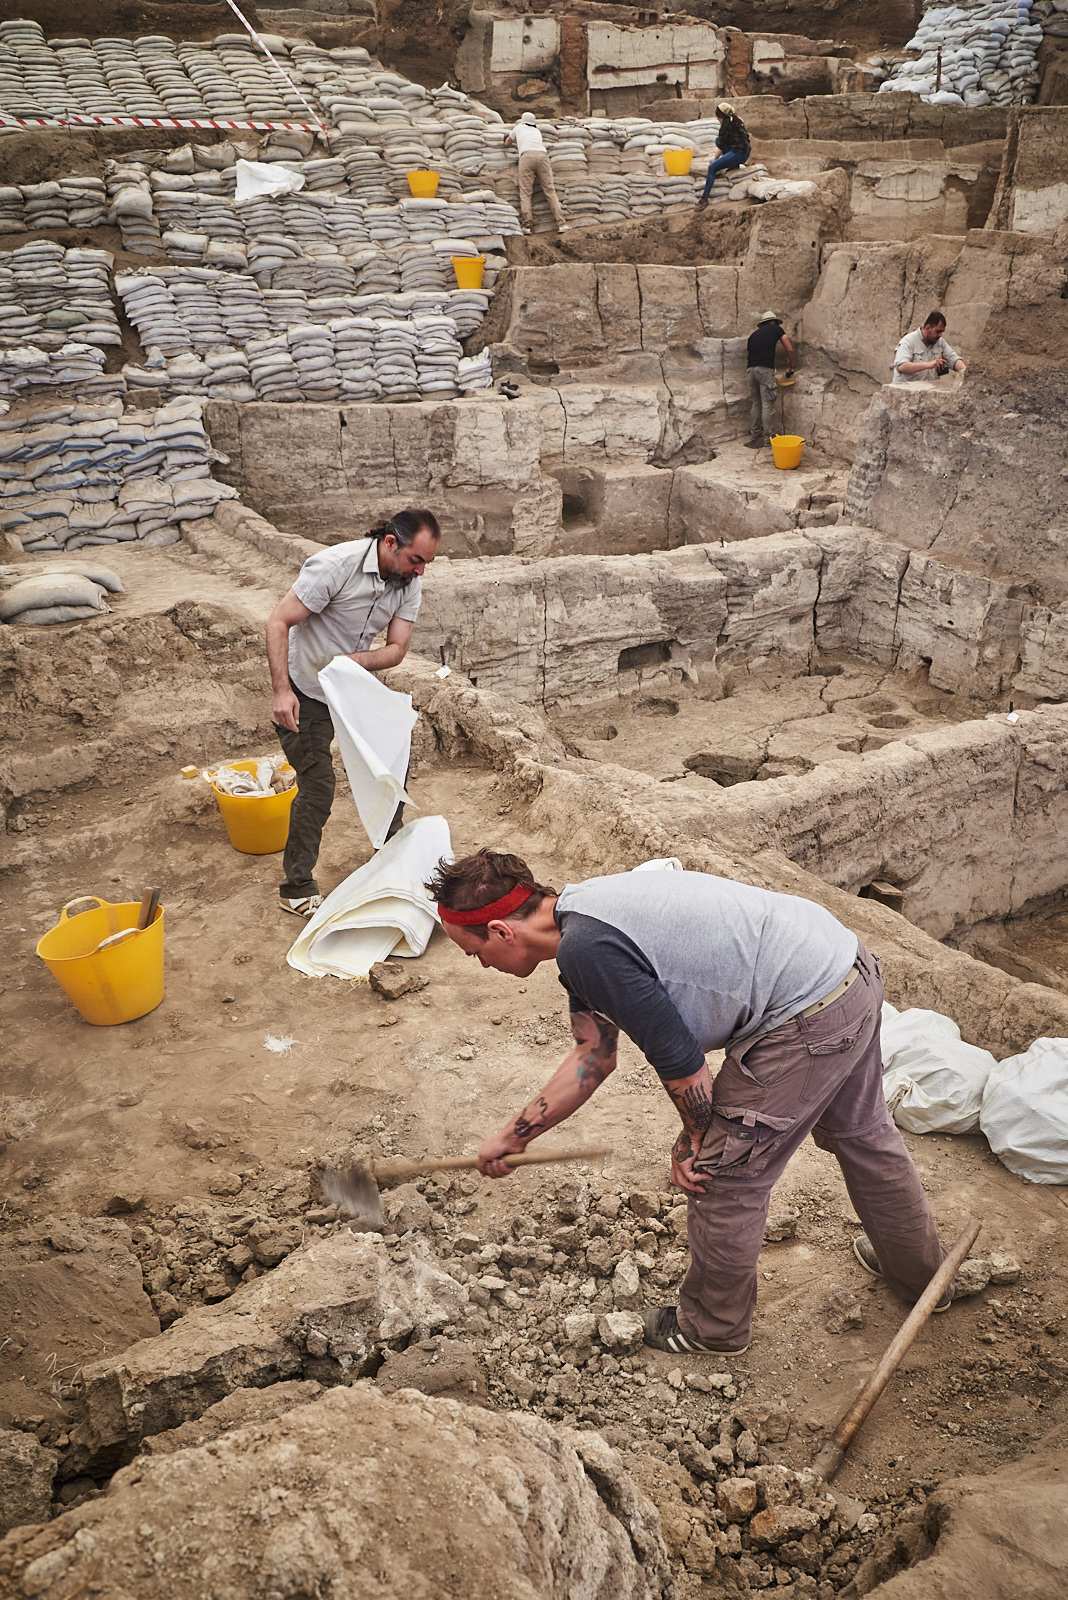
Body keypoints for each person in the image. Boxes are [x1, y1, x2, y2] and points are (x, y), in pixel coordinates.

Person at [426, 851, 950, 1356]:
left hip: (804, 1013)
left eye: (474, 953)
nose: (481, 965)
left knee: (720, 1175)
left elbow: (682, 1064)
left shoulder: (587, 950)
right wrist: (514, 1137)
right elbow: (594, 1054)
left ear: (500, 931)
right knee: (863, 1132)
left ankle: (713, 1328)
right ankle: (921, 1275)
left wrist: (695, 1139)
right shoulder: (581, 915)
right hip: (843, 966)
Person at [266, 509, 440, 917]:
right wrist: (281, 691)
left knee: (390, 760)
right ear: (391, 543)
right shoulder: (335, 566)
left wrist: (350, 663)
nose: (421, 571)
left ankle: (390, 856)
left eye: (427, 563)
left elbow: (397, 649)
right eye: (417, 560)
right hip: (304, 690)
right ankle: (296, 887)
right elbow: (278, 621)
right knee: (318, 785)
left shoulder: (408, 582)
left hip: (350, 685)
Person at [504, 110, 566, 233]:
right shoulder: (537, 131)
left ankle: (527, 225)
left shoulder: (518, 127)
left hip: (526, 157)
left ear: (522, 120)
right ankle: (561, 224)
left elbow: (507, 142)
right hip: (542, 156)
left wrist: (509, 140)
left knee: (526, 193)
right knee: (550, 191)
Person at [746, 311, 795, 450]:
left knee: (756, 403)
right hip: (764, 369)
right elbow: (789, 349)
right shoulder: (776, 329)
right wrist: (791, 365)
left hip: (751, 370)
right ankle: (768, 440)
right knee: (767, 404)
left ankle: (755, 438)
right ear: (773, 322)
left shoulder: (753, 335)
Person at [697, 102, 751, 204]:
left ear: (722, 116)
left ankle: (704, 199)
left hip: (739, 154)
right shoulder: (735, 119)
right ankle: (733, 166)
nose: (717, 119)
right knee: (718, 140)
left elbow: (721, 147)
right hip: (744, 152)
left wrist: (714, 161)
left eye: (718, 116)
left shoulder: (726, 125)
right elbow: (722, 142)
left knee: (712, 168)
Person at [892, 311, 966, 384]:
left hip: (928, 392)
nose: (940, 335)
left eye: (942, 332)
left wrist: (965, 372)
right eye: (938, 331)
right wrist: (929, 364)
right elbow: (901, 367)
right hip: (906, 392)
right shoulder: (908, 341)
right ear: (928, 328)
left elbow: (953, 358)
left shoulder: (940, 342)